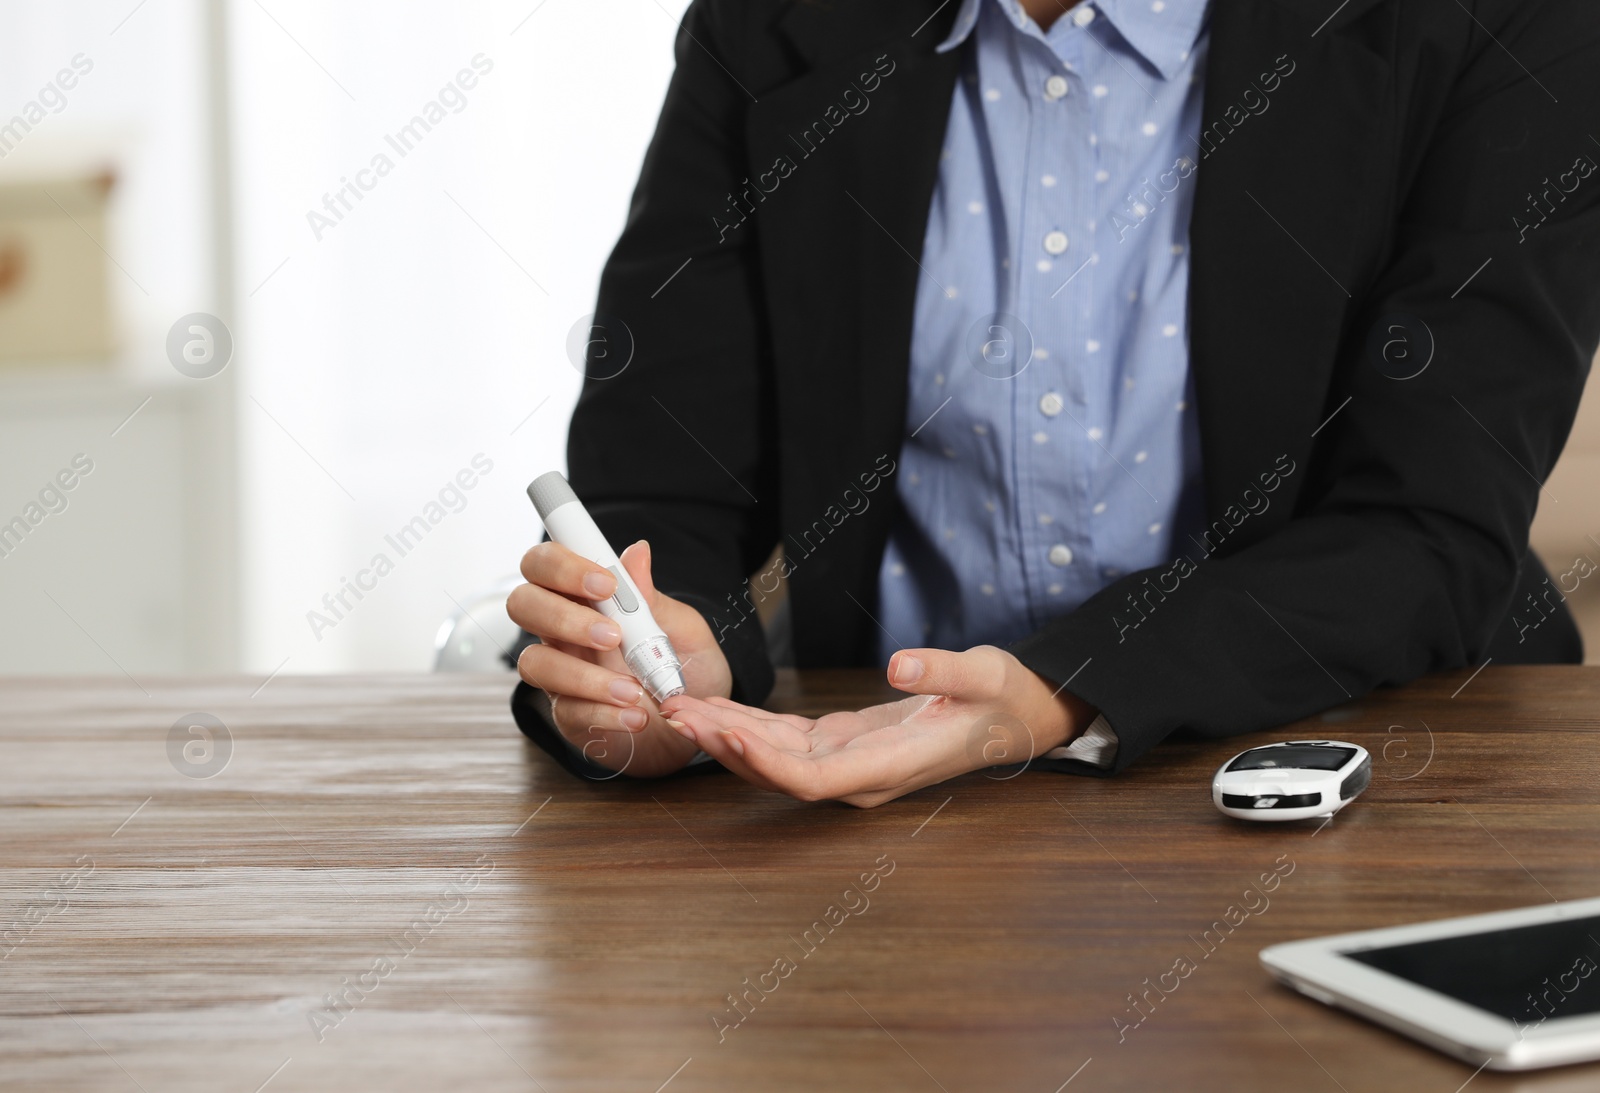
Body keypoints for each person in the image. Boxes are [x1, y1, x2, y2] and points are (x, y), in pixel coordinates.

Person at [506, 0, 1600, 806]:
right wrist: (660, 684)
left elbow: (1427, 525)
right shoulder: (775, 26)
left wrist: (1059, 689)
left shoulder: (1500, 23)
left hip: (1380, 775)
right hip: (892, 805)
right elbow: (661, 488)